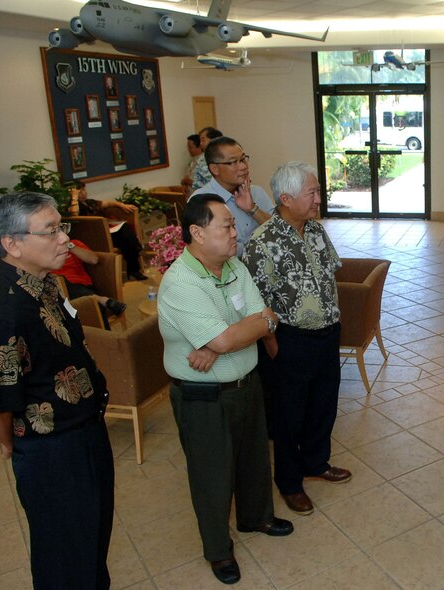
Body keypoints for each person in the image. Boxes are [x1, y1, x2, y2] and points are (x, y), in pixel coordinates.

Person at [157, 194, 292, 585]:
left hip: (246, 383)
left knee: (252, 459)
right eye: (227, 226)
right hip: (203, 396)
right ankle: (218, 550)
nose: (236, 233)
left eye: (235, 225)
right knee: (211, 474)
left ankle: (257, 518)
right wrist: (236, 333)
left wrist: (243, 329)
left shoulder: (234, 266)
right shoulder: (180, 282)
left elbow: (257, 318)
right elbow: (230, 337)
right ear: (197, 233)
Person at [0, 192, 114, 589]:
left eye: (62, 227)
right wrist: (18, 443)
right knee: (63, 555)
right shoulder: (2, 310)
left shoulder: (46, 284)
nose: (65, 240)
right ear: (12, 243)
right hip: (52, 452)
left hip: (86, 432)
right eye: (51, 231)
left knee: (92, 540)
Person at [243, 161, 351, 516]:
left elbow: (330, 275)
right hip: (290, 340)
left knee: (323, 404)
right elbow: (255, 301)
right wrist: (274, 344)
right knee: (289, 415)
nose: (320, 198)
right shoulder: (263, 241)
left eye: (318, 191)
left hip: (326, 335)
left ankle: (317, 462)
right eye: (313, 192)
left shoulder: (316, 231)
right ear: (286, 198)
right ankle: (289, 482)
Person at [191, 136, 274, 256]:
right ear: (215, 169)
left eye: (243, 159)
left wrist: (253, 209)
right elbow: (208, 249)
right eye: (234, 162)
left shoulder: (256, 192)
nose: (243, 166)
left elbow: (281, 231)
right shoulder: (201, 201)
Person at [70, 181, 146, 280]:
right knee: (126, 237)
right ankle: (135, 260)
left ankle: (134, 267)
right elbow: (74, 216)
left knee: (125, 235)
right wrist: (74, 198)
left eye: (84, 190)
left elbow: (107, 203)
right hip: (97, 236)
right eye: (81, 191)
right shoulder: (73, 207)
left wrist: (121, 205)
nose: (85, 193)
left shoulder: (90, 202)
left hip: (109, 232)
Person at [51, 238, 126, 330]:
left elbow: (93, 260)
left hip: (82, 287)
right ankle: (101, 300)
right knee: (59, 280)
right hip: (59, 294)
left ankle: (106, 340)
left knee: (93, 305)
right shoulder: (43, 250)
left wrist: (69, 246)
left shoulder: (74, 243)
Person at [191, 127, 223, 191]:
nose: (201, 143)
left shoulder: (226, 155)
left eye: (203, 140)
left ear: (214, 139)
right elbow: (198, 182)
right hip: (207, 195)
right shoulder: (202, 159)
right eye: (200, 141)